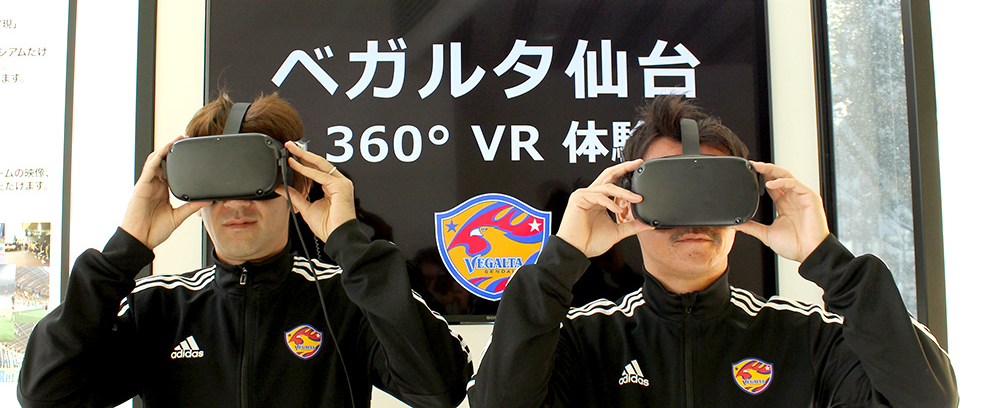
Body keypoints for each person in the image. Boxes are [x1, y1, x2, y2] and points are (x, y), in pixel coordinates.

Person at [467, 95, 958, 408]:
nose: (693, 217)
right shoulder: (582, 341)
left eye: (711, 192)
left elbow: (929, 400)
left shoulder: (809, 339)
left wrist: (829, 260)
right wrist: (562, 258)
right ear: (628, 204)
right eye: (670, 193)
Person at [18, 92, 473, 408]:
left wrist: (352, 248)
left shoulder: (346, 298)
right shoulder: (156, 307)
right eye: (216, 185)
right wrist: (123, 252)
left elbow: (440, 389)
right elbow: (45, 395)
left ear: (296, 185)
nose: (235, 205)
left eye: (254, 182)